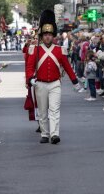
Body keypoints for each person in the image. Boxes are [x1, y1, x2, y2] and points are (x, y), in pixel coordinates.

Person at [26, 10, 80, 145]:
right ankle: (45, 134)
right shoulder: (35, 49)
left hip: (55, 83)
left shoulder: (59, 49)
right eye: (45, 35)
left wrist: (75, 81)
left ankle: (55, 134)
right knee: (43, 111)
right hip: (40, 84)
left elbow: (67, 67)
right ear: (42, 36)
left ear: (53, 36)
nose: (48, 37)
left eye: (50, 34)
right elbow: (30, 67)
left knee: (54, 110)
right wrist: (30, 78)